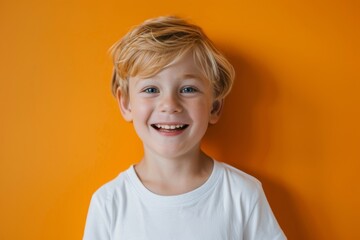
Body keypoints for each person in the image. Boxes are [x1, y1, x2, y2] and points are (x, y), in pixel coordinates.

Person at [83, 16, 286, 240]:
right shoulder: (109, 203)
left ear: (215, 106)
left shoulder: (242, 194)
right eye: (151, 89)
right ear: (126, 103)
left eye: (188, 89)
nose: (169, 105)